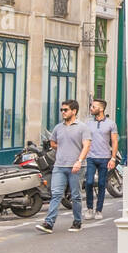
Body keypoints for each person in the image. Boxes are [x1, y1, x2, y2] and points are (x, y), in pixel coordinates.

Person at [36, 100, 92, 234]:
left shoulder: (82, 127)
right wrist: (63, 149)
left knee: (76, 196)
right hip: (59, 166)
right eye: (62, 110)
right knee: (56, 194)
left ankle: (77, 221)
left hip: (76, 167)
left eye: (65, 110)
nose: (63, 112)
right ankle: (49, 223)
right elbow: (53, 142)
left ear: (74, 111)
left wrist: (79, 161)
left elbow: (87, 146)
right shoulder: (58, 127)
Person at [83, 99, 119, 220]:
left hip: (105, 158)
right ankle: (89, 208)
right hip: (91, 157)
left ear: (101, 109)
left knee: (102, 184)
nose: (91, 108)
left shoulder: (111, 123)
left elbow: (114, 141)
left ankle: (98, 210)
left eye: (94, 106)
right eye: (91, 106)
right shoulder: (87, 123)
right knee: (88, 182)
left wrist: (113, 158)